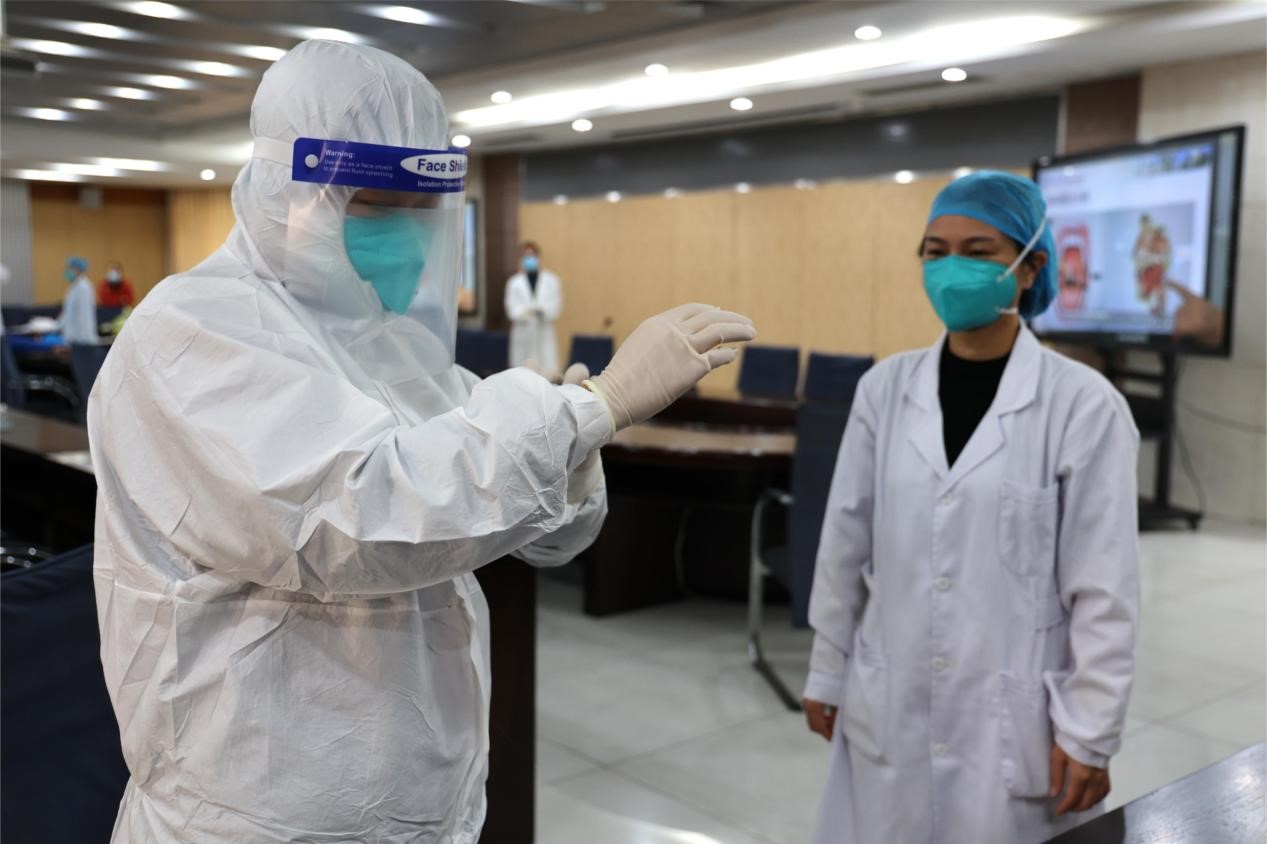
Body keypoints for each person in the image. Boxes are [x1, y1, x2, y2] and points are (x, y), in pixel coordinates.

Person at [88, 39, 755, 844]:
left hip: (419, 798)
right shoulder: (195, 330)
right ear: (286, 191)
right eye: (376, 204)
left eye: (419, 208)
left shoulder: (393, 345)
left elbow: (537, 530)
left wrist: (570, 444)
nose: (403, 233)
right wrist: (595, 407)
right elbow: (352, 521)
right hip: (252, 812)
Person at [802, 171, 1139, 844]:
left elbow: (1103, 586)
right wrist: (826, 667)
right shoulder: (884, 389)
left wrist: (1090, 729)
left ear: (1029, 267)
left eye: (978, 251)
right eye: (935, 251)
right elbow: (845, 540)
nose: (951, 268)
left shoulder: (1082, 404)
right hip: (890, 696)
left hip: (1014, 721)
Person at [505, 241, 562, 370]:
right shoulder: (514, 283)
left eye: (532, 255)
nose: (529, 259)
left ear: (538, 257)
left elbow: (556, 307)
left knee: (547, 371)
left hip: (544, 332)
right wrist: (526, 312)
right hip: (523, 334)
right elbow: (511, 310)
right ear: (521, 259)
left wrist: (542, 311)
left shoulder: (552, 280)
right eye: (526, 256)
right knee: (521, 373)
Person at [59, 256, 97, 344]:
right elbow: (69, 312)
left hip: (82, 337)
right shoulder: (74, 287)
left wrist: (84, 338)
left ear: (79, 270)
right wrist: (57, 325)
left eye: (71, 268)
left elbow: (84, 315)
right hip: (73, 336)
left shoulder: (83, 287)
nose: (68, 271)